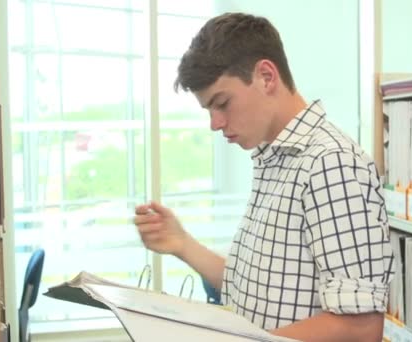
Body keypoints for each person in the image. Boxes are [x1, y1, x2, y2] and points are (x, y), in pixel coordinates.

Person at [134, 12, 394, 342]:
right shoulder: (274, 158)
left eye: (222, 103)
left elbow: (359, 328)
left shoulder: (332, 164)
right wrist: (181, 243)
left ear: (266, 77)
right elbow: (254, 284)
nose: (214, 123)